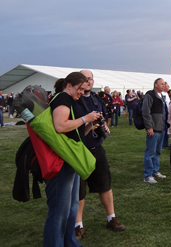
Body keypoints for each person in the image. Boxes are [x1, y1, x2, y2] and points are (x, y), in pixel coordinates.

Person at [44, 72, 101, 247]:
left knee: (71, 207)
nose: (82, 93)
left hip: (70, 160)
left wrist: (90, 124)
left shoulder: (69, 100)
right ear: (69, 85)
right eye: (80, 89)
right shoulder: (62, 98)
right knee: (60, 210)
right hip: (62, 161)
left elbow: (73, 133)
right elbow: (60, 126)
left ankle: (69, 242)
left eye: (84, 89)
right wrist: (85, 118)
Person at [73, 70, 125, 241]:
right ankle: (77, 225)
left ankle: (111, 218)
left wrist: (104, 127)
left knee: (105, 184)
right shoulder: (73, 99)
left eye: (90, 79)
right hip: (79, 149)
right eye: (84, 79)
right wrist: (87, 122)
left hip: (97, 147)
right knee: (79, 190)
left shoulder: (97, 99)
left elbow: (102, 117)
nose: (88, 82)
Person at [142, 78, 169, 184]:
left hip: (161, 128)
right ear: (155, 85)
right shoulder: (150, 95)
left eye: (164, 84)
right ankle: (147, 175)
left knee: (157, 151)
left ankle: (155, 171)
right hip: (154, 128)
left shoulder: (161, 96)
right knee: (150, 152)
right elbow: (146, 111)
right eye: (161, 84)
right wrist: (149, 127)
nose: (163, 85)